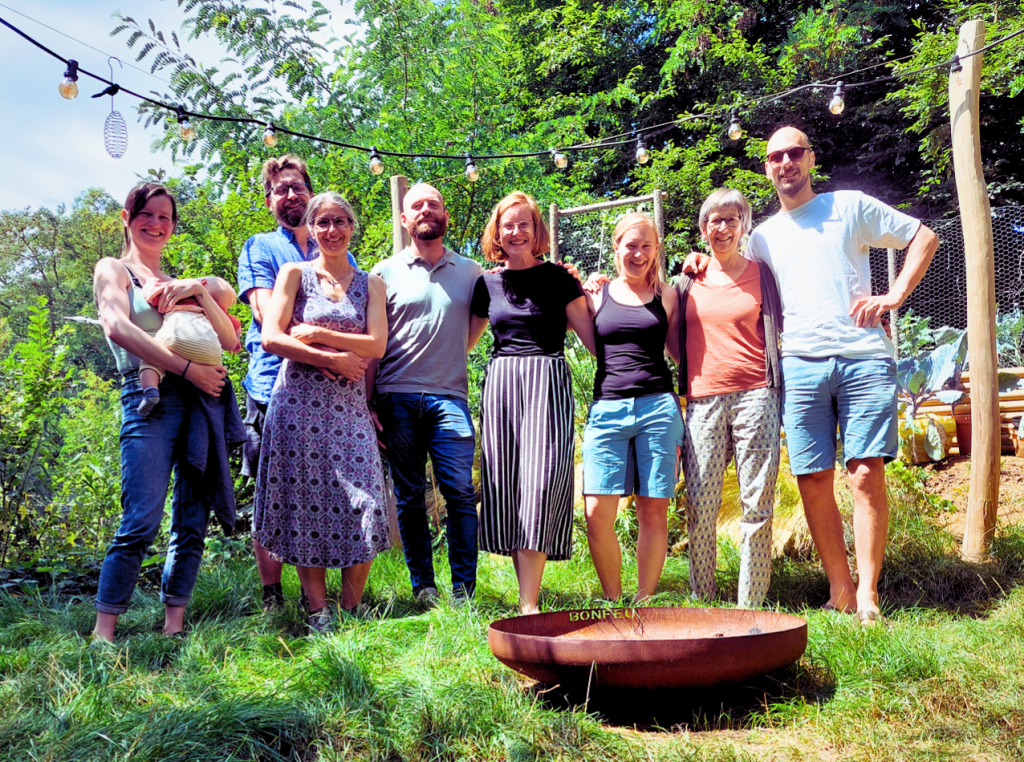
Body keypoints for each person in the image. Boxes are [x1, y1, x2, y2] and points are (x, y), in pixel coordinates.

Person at [688, 127, 938, 623]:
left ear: (810, 158)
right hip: (798, 364)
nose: (786, 162)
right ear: (767, 167)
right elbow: (729, 267)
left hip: (863, 356)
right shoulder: (760, 238)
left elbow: (923, 237)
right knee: (812, 478)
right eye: (776, 156)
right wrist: (699, 262)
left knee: (865, 472)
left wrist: (893, 296)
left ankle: (868, 592)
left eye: (794, 153)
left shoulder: (849, 206)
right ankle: (839, 589)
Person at [91, 183, 233, 641]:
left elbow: (227, 323)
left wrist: (198, 290)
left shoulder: (176, 283)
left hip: (198, 403)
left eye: (165, 218)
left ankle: (174, 625)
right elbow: (117, 328)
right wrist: (187, 368)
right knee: (141, 518)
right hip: (147, 397)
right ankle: (103, 631)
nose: (155, 225)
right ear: (126, 218)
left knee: (191, 517)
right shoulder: (114, 270)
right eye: (146, 215)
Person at [253, 191, 390, 632]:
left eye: (340, 221)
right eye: (323, 222)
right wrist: (329, 358)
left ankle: (351, 607)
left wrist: (314, 332)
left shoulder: (372, 283)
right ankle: (318, 612)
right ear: (310, 229)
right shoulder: (294, 273)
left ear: (353, 227)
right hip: (298, 405)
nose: (332, 230)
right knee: (307, 504)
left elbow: (377, 345)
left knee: (366, 502)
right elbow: (272, 338)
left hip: (348, 408)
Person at [237, 155, 365, 612]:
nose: (289, 195)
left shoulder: (340, 252)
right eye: (279, 190)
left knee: (329, 492)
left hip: (337, 398)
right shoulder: (262, 248)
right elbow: (268, 316)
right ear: (270, 201)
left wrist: (346, 365)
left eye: (296, 187)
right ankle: (274, 595)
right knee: (277, 494)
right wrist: (334, 357)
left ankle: (330, 602)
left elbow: (360, 325)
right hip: (275, 387)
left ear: (309, 193)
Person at [469, 191, 597, 614]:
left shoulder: (561, 279)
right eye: (509, 224)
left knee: (541, 485)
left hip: (547, 379)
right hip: (503, 383)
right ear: (498, 232)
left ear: (537, 229)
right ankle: (528, 603)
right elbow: (464, 344)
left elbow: (595, 341)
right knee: (507, 485)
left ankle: (528, 603)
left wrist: (597, 292)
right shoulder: (486, 283)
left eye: (524, 224)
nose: (516, 231)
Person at [368, 184, 482, 605]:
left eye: (434, 203)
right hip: (395, 397)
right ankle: (424, 588)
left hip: (449, 397)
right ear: (403, 219)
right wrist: (367, 402)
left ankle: (463, 590)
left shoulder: (470, 272)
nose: (426, 210)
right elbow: (373, 344)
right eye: (416, 205)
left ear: (445, 214)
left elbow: (478, 325)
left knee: (459, 491)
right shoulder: (381, 273)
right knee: (410, 495)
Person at [676, 189, 783, 609]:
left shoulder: (762, 274)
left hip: (757, 395)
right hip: (703, 400)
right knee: (700, 504)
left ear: (744, 226)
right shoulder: (687, 279)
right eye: (713, 221)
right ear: (703, 229)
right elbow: (671, 335)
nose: (722, 228)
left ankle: (748, 608)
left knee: (757, 503)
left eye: (730, 220)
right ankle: (703, 599)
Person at [582, 212, 683, 603]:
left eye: (646, 246)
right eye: (631, 245)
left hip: (659, 408)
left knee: (653, 512)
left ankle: (643, 603)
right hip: (607, 409)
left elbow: (676, 352)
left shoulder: (668, 294)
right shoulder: (596, 294)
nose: (638, 253)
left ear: (656, 249)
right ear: (616, 247)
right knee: (596, 515)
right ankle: (614, 601)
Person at [136, 276, 242, 415]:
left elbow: (151, 292)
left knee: (151, 359)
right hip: (210, 353)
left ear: (202, 283)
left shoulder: (179, 294)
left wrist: (150, 281)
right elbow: (236, 327)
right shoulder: (218, 312)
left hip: (178, 336)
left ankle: (150, 391)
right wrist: (237, 342)